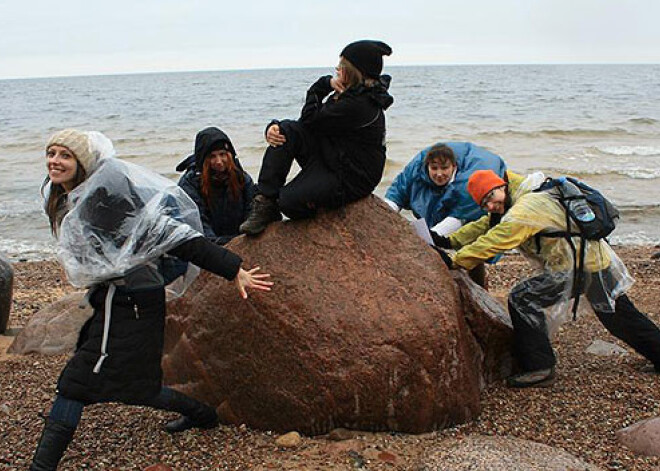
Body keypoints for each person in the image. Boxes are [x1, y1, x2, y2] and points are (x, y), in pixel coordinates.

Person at [31, 129, 273, 470]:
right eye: (51, 153)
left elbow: (173, 236)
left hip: (131, 300)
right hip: (119, 297)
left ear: (82, 162)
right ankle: (203, 416)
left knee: (74, 383)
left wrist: (233, 269)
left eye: (65, 155)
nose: (55, 161)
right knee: (139, 387)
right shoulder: (65, 196)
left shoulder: (107, 197)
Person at [435, 169, 660, 387]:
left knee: (523, 299)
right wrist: (449, 241)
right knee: (618, 315)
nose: (491, 206)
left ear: (500, 186)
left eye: (490, 197)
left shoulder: (527, 207)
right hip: (591, 261)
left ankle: (540, 368)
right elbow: (487, 224)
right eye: (484, 204)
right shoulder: (518, 197)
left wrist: (457, 261)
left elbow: (498, 238)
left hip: (578, 266)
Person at [239, 40, 394, 235]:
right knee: (285, 130)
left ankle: (318, 211)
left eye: (341, 67)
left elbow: (310, 118)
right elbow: (307, 125)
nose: (337, 70)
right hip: (335, 156)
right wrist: (274, 127)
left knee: (288, 202)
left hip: (351, 177)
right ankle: (265, 201)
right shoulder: (352, 93)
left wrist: (322, 86)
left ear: (351, 71)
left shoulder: (359, 104)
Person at [385, 142, 507, 287]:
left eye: (444, 168)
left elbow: (458, 218)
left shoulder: (468, 183)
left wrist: (427, 240)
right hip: (438, 199)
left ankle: (479, 287)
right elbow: (396, 194)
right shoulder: (415, 173)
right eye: (434, 168)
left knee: (469, 244)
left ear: (454, 166)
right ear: (427, 167)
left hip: (466, 210)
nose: (439, 173)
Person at [176, 127, 256, 245]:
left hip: (239, 239)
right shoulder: (190, 183)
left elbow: (252, 210)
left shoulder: (242, 178)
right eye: (212, 156)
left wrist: (243, 239)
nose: (219, 161)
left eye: (222, 154)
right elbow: (197, 221)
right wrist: (217, 245)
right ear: (204, 159)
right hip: (208, 244)